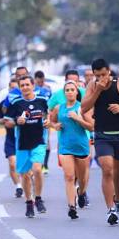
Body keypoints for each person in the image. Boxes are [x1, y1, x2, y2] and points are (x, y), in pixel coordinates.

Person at [81, 59, 119, 225]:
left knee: (118, 172)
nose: (102, 78)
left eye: (104, 74)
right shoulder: (92, 86)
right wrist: (97, 91)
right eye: (98, 75)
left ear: (109, 71)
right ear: (93, 74)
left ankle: (118, 200)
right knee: (107, 169)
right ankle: (110, 209)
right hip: (102, 135)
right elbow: (84, 108)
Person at [4, 75, 51, 218]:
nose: (25, 87)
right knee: (24, 174)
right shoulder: (16, 103)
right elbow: (7, 122)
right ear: (19, 87)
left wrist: (48, 121)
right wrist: (18, 121)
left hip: (39, 141)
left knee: (37, 169)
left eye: (27, 85)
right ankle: (29, 202)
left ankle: (38, 198)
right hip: (22, 143)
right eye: (22, 85)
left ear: (32, 85)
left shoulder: (42, 100)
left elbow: (49, 115)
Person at [51, 81, 93, 219]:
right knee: (69, 177)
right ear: (64, 93)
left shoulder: (82, 108)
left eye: (72, 89)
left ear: (77, 92)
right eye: (67, 90)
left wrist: (78, 118)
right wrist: (55, 125)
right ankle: (72, 206)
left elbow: (91, 127)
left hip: (81, 146)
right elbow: (52, 121)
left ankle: (81, 193)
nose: (69, 92)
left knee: (82, 178)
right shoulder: (59, 108)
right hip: (65, 146)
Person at [0, 77, 23, 198]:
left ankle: (27, 184)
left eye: (15, 88)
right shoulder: (4, 104)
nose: (13, 90)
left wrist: (16, 122)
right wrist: (4, 121)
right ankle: (18, 186)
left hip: (24, 138)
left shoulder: (22, 103)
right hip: (10, 138)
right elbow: (0, 120)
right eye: (11, 88)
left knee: (26, 167)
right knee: (13, 164)